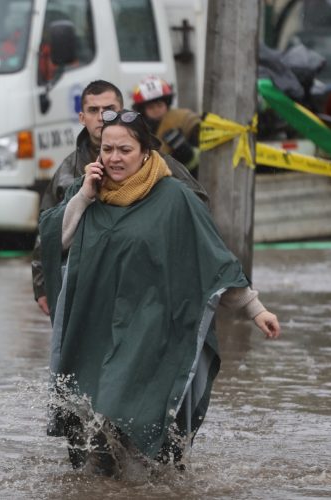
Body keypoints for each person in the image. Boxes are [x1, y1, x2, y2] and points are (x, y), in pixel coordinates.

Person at [39, 108, 281, 474]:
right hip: (93, 331)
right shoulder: (86, 192)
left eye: (125, 150)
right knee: (94, 440)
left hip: (148, 333)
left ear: (146, 152)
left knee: (130, 420)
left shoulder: (174, 198)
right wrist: (84, 197)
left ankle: (149, 481)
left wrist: (255, 309)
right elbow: (53, 242)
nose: (114, 159)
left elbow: (212, 260)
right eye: (107, 150)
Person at [31, 80, 206, 315]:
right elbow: (47, 230)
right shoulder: (67, 174)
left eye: (110, 109)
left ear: (124, 111)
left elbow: (197, 210)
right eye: (94, 111)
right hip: (87, 290)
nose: (102, 116)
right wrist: (42, 285)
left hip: (145, 290)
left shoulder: (156, 163)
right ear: (82, 118)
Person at [132, 76, 202, 176]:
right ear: (143, 110)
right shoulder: (137, 129)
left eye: (160, 105)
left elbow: (202, 159)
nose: (156, 110)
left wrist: (186, 152)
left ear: (167, 103)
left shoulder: (184, 122)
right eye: (151, 107)